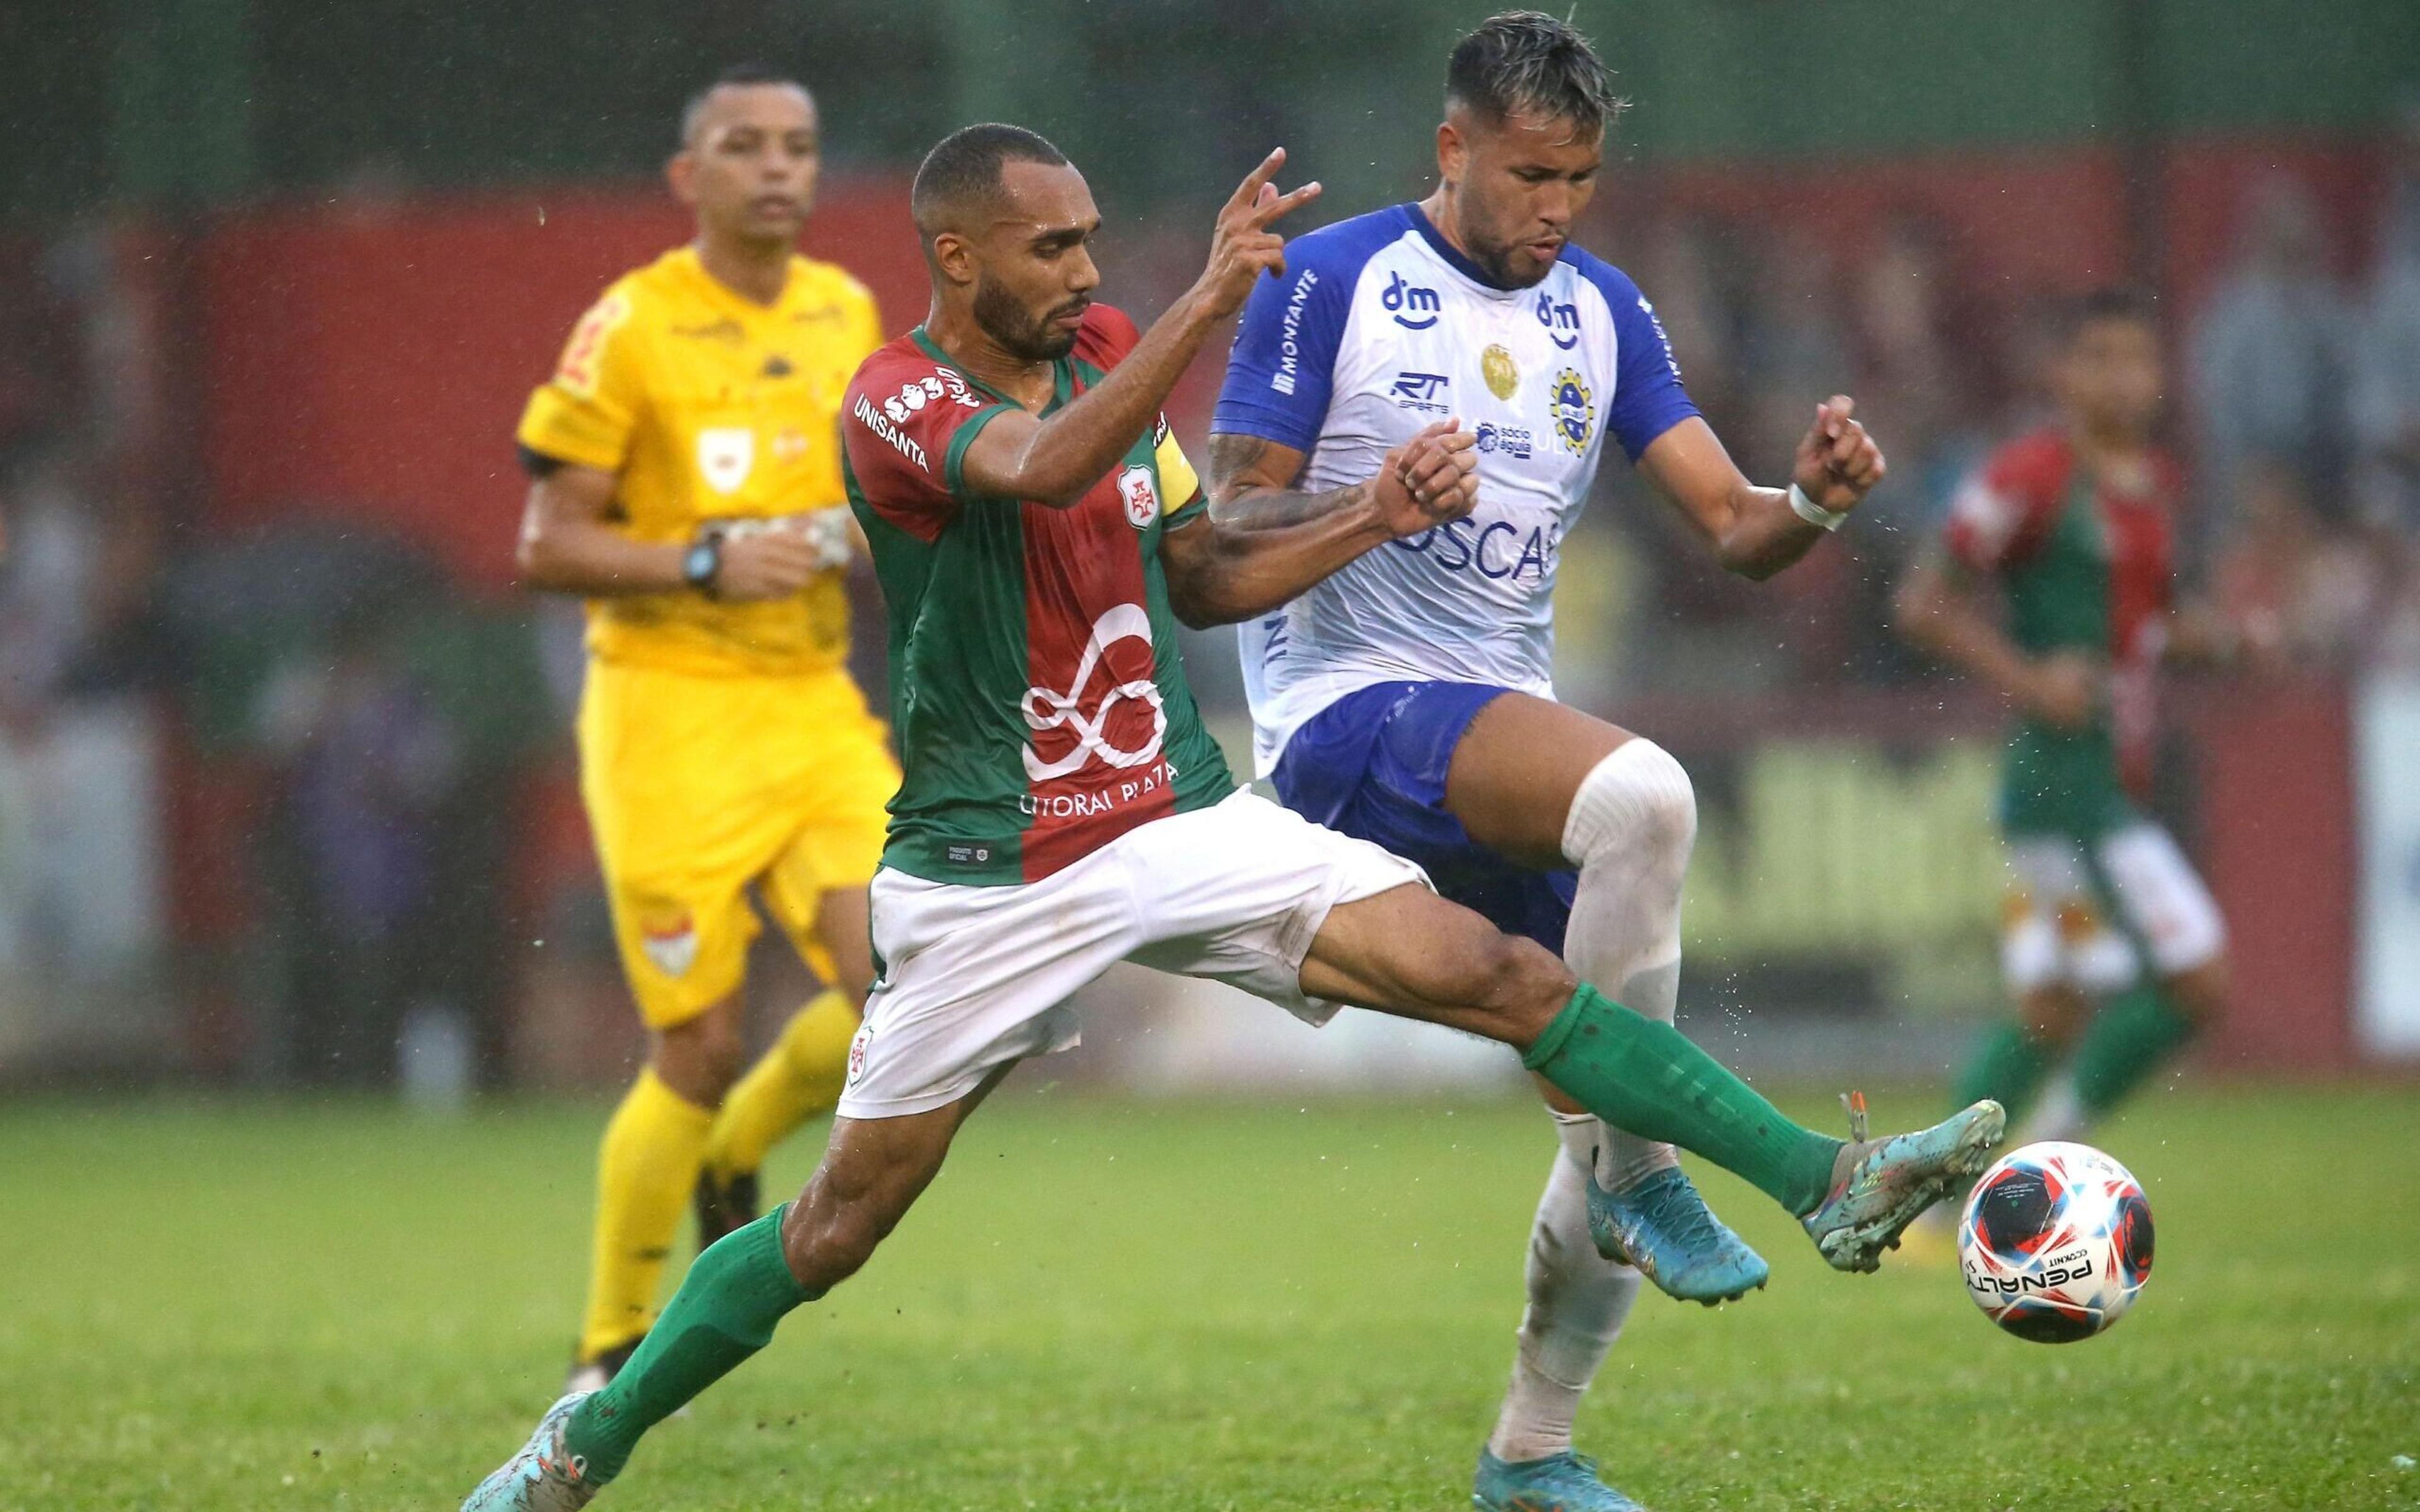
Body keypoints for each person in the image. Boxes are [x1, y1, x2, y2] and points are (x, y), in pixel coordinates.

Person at [463, 122, 2002, 1512]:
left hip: (1177, 814)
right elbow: (1042, 467)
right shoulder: (897, 399)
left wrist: (1367, 519)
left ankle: (1829, 1184)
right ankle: (579, 1447)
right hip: (995, 868)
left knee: (1511, 979)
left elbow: (1195, 572)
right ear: (957, 256)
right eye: (1049, 247)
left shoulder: (1103, 360)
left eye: (1088, 241)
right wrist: (1205, 303)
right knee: (835, 1228)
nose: (1081, 271)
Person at [1209, 16, 1894, 1508]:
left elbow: (1732, 526)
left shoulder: (1603, 313)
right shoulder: (1336, 284)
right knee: (1645, 795)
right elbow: (1222, 528)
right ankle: (1647, 1176)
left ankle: (1531, 1454)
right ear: (1452, 148)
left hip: (1487, 734)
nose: (1556, 206)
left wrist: (1815, 502)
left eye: (1580, 176)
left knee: (1606, 1055)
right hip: (1344, 716)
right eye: (1529, 172)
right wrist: (1375, 504)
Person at [512, 66, 894, 1392]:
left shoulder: (846, 310)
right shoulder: (629, 327)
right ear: (690, 178)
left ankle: (738, 1145)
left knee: (919, 995)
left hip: (811, 705)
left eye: (799, 145)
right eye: (745, 147)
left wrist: (863, 529)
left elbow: (882, 497)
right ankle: (605, 1347)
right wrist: (698, 563)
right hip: (666, 714)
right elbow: (545, 541)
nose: (778, 169)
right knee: (697, 1037)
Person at [1897, 287, 2230, 1193]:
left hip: (2103, 774)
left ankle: (1921, 1199)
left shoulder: (2155, 484)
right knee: (2193, 974)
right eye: (2102, 358)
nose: (2125, 379)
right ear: (2064, 372)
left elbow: (2150, 623)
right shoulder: (2029, 475)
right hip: (2064, 781)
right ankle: (2043, 1171)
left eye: (2141, 359)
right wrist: (2028, 679)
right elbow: (1923, 600)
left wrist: (2229, 638)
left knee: (2052, 1008)